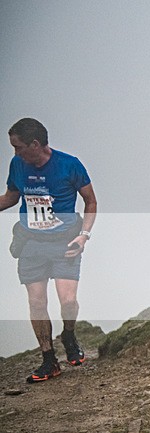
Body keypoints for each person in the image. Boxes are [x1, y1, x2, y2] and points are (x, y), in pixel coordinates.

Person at [1, 118, 97, 383]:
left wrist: (83, 236)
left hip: (65, 242)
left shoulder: (70, 165)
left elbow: (90, 201)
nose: (15, 153)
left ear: (35, 144)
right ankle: (48, 359)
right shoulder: (17, 165)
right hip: (31, 243)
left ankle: (68, 334)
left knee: (67, 301)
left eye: (18, 147)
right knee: (36, 301)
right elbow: (11, 197)